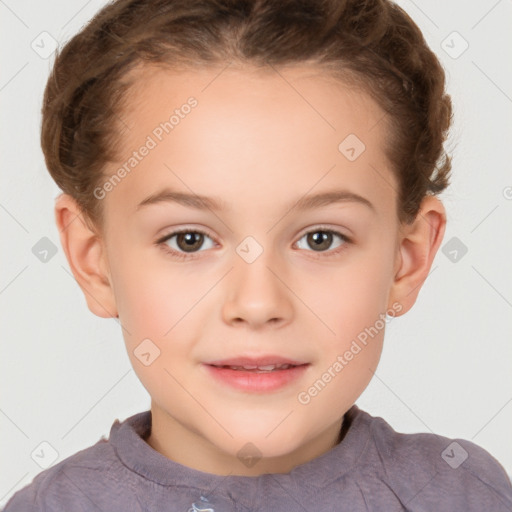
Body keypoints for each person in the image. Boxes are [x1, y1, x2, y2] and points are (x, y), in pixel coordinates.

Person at [4, 0, 512, 510]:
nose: (256, 303)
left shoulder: (466, 495)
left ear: (408, 258)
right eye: (189, 240)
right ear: (94, 261)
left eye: (320, 238)